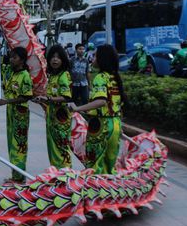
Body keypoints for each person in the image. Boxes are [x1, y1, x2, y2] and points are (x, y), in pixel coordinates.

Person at [73, 44, 125, 174]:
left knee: (94, 165)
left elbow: (100, 101)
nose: (93, 58)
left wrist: (77, 108)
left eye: (95, 55)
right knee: (110, 165)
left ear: (102, 58)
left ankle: (95, 192)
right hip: (116, 124)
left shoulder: (100, 78)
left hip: (101, 125)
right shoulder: (115, 77)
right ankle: (109, 192)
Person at [0, 47, 33, 183]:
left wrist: (6, 101)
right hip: (11, 112)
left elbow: (26, 96)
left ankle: (18, 177)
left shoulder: (25, 76)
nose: (11, 59)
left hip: (20, 113)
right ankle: (16, 175)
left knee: (19, 145)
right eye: (11, 56)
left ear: (22, 60)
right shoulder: (9, 71)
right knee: (11, 144)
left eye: (15, 57)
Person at [34, 44, 73, 169]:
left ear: (63, 60)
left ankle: (65, 176)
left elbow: (66, 97)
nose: (55, 60)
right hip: (51, 119)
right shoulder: (53, 77)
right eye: (52, 57)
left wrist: (48, 98)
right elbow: (50, 98)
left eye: (58, 57)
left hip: (61, 120)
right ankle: (56, 174)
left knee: (61, 148)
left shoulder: (63, 76)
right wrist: (41, 101)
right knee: (53, 147)